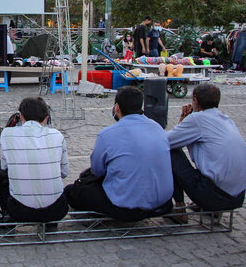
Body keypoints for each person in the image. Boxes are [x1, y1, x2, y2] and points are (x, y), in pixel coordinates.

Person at [64, 86, 173, 222]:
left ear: (117, 108)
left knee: (73, 190)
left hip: (125, 206)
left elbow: (97, 170)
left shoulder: (107, 134)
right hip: (162, 202)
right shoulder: (158, 128)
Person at [166, 84, 246, 221]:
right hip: (237, 196)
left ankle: (180, 208)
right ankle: (214, 211)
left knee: (171, 152)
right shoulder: (227, 120)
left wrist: (182, 122)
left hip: (215, 196)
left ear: (195, 101)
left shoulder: (197, 119)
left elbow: (166, 142)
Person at [0, 97, 69, 223]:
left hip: (19, 211)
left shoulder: (7, 134)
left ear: (21, 116)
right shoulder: (57, 135)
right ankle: (50, 223)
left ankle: (7, 219)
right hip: (56, 210)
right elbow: (64, 172)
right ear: (46, 118)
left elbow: (4, 167)